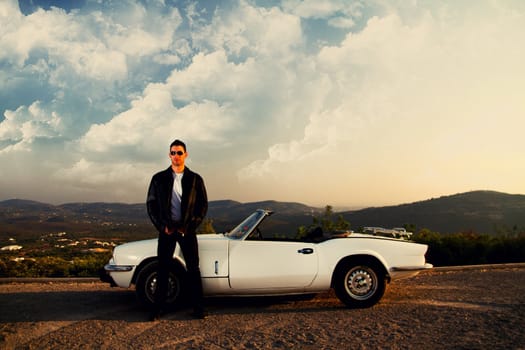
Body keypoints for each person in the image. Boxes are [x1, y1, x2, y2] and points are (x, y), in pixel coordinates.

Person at [146, 139, 208, 321]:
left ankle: (198, 308)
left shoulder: (195, 179)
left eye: (179, 152)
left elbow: (202, 206)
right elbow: (151, 205)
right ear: (169, 155)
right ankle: (158, 309)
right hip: (167, 230)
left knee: (193, 269)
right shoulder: (158, 179)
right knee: (163, 268)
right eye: (173, 152)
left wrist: (190, 226)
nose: (176, 156)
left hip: (187, 230)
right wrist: (161, 226)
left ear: (185, 155)